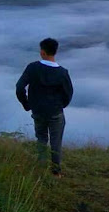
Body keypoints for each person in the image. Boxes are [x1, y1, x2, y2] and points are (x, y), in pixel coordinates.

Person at [16, 38, 73, 177]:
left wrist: (27, 104)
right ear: (55, 51)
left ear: (42, 52)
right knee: (56, 142)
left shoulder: (33, 68)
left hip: (38, 110)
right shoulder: (62, 73)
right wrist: (60, 106)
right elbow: (68, 94)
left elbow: (19, 88)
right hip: (55, 112)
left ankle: (40, 169)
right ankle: (55, 172)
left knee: (41, 138)